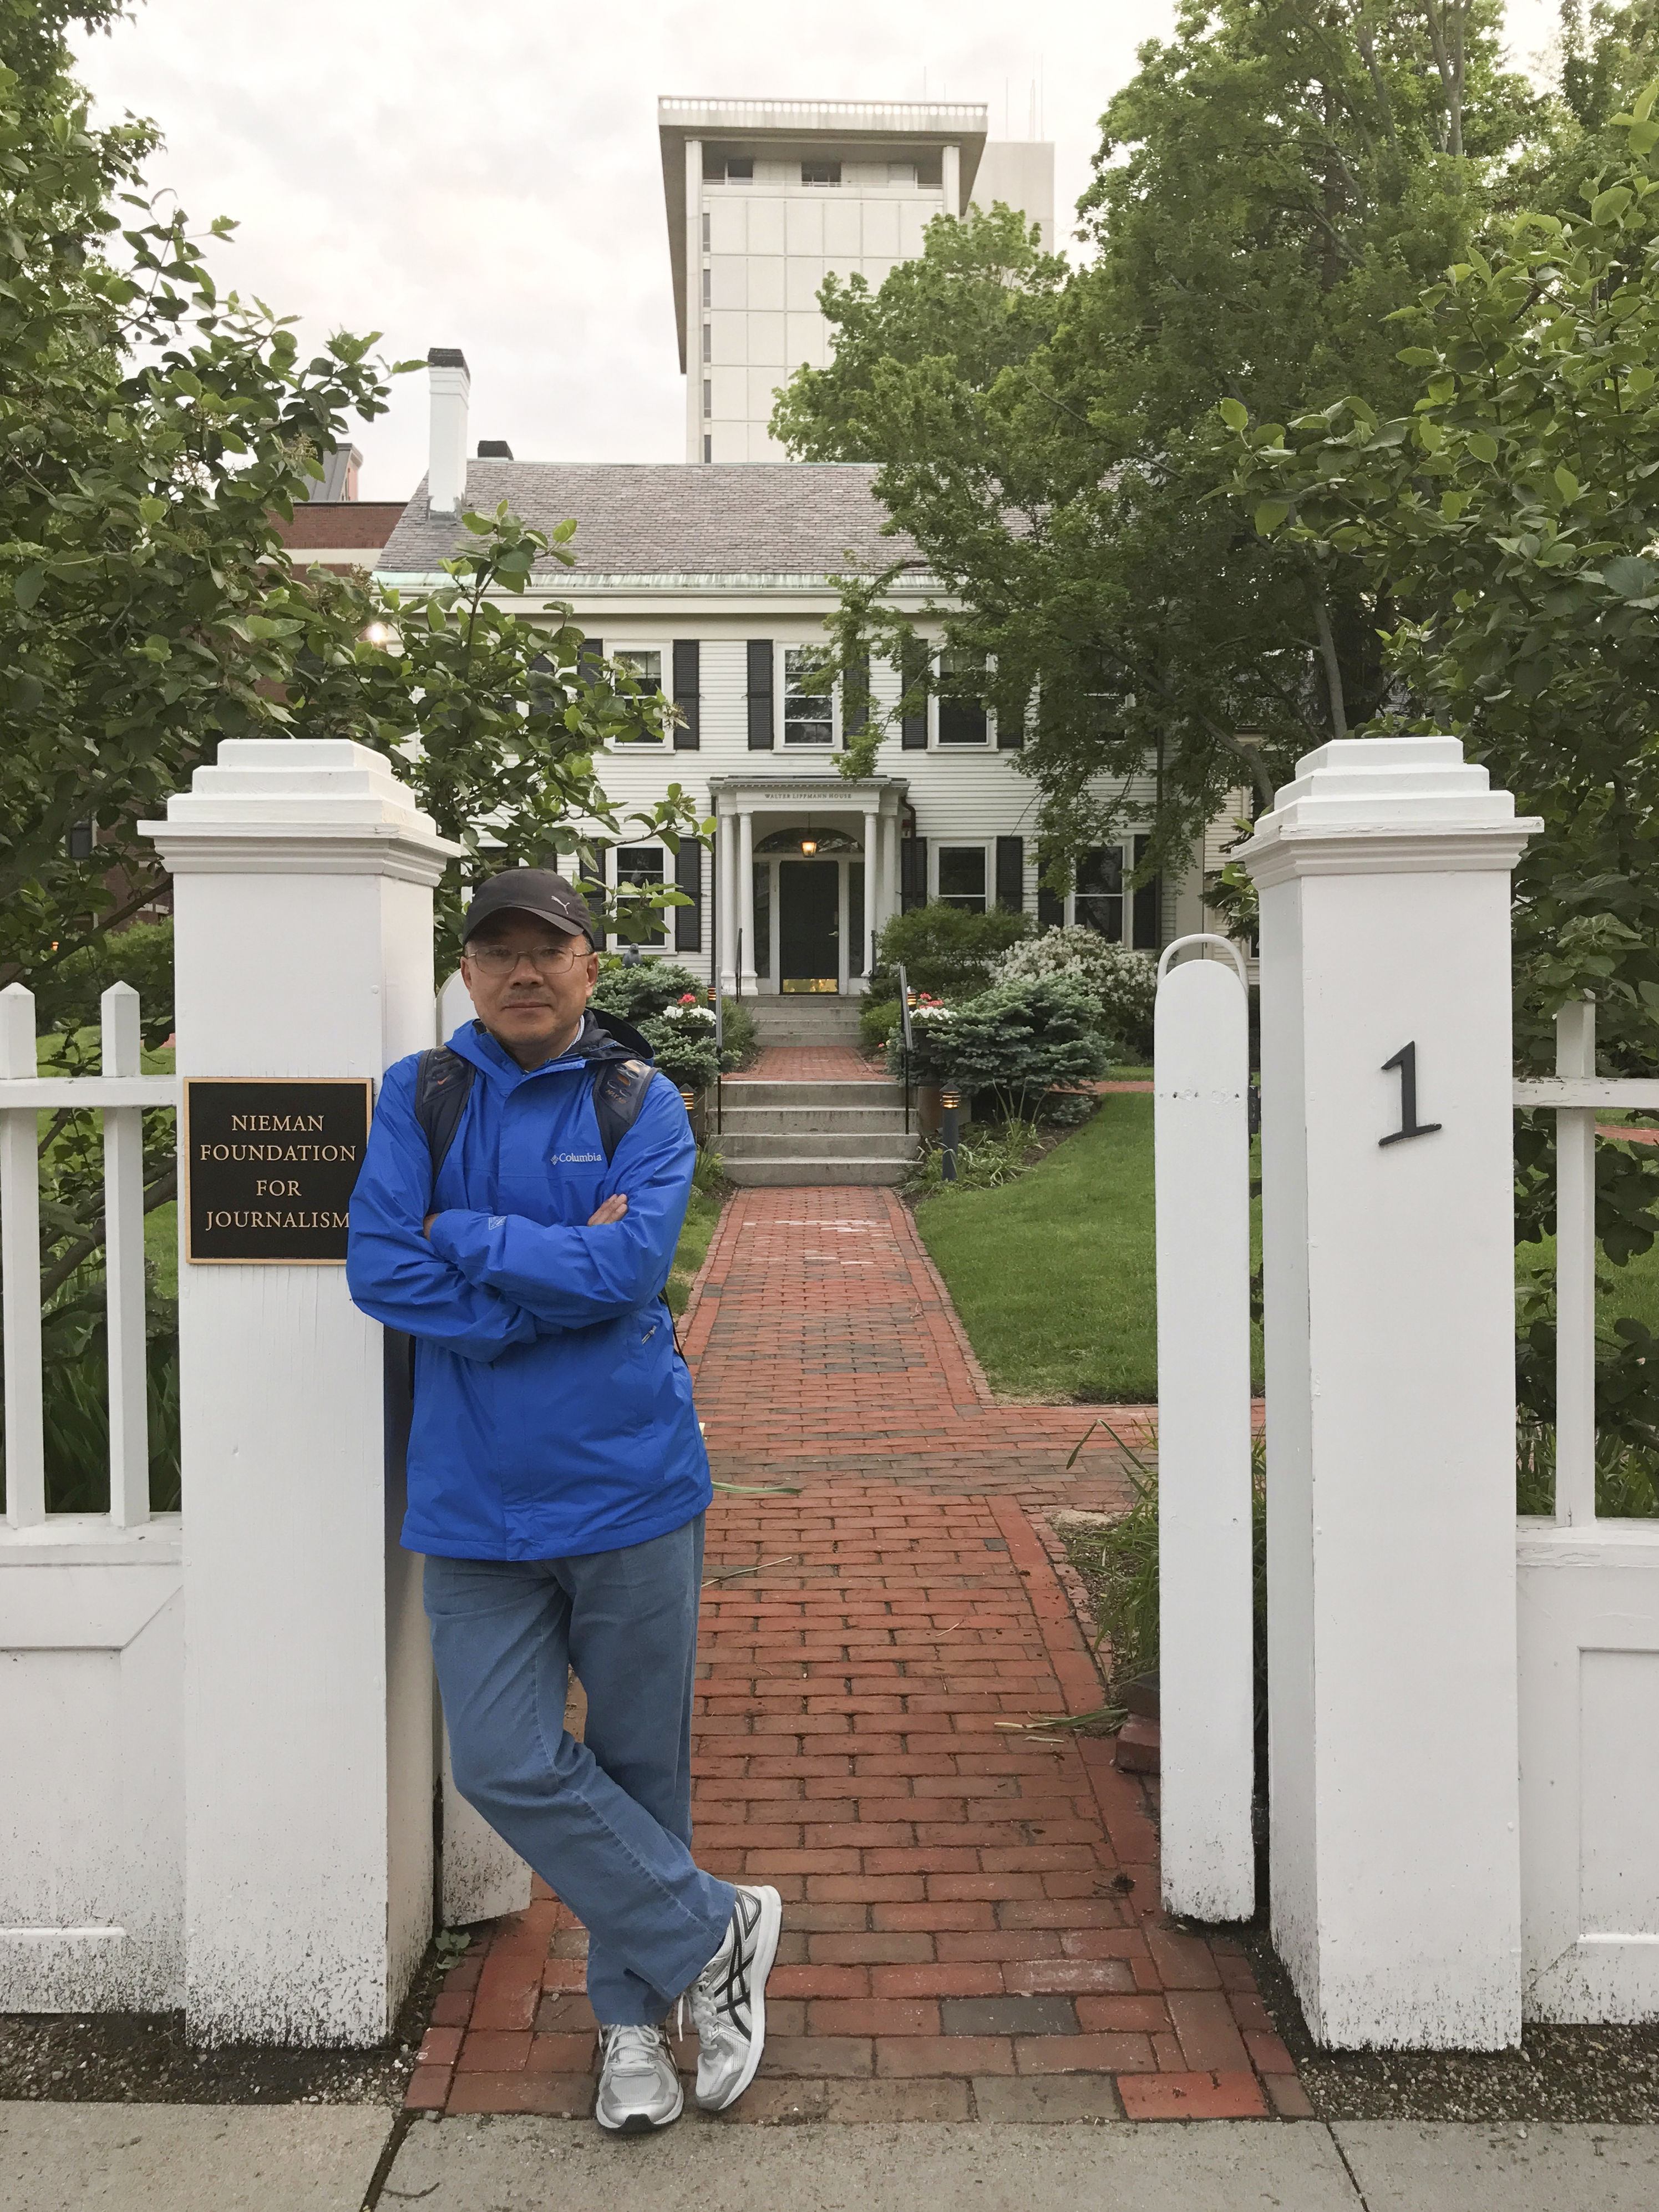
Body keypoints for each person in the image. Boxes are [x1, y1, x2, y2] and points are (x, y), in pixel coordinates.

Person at [347, 867, 780, 2136]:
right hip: (474, 1498)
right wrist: (553, 1285)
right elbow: (379, 1263)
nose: (523, 969)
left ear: (591, 965)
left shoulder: (637, 1100)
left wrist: (468, 1236)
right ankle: (719, 1925)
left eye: (550, 948)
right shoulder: (417, 1094)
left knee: (642, 1769)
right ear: (467, 972)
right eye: (498, 950)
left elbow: (632, 1265)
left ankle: (632, 2029)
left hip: (631, 1487)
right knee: (502, 1758)